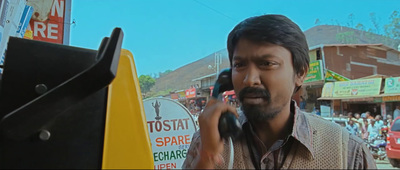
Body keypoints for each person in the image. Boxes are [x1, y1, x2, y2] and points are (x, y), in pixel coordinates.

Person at [182, 14, 375, 169]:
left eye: (267, 64)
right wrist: (207, 158)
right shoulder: (206, 141)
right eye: (239, 65)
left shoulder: (348, 152)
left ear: (300, 73)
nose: (249, 79)